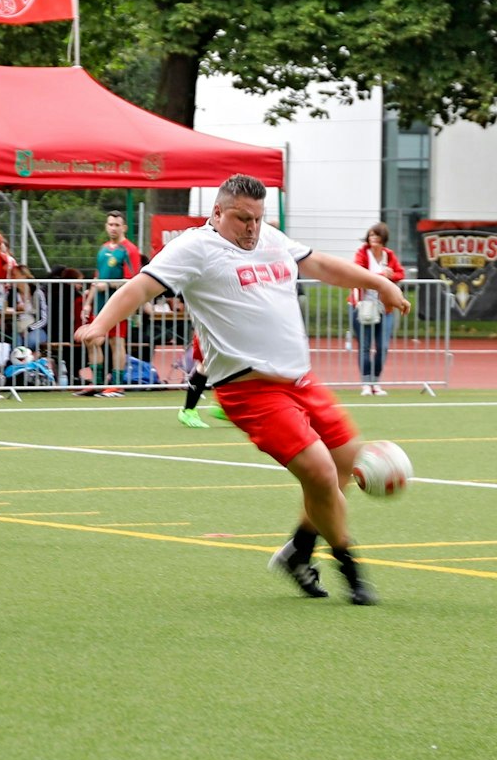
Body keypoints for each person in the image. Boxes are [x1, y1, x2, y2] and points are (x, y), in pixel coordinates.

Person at [76, 174, 408, 605]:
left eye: (256, 217)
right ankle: (351, 568)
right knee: (322, 474)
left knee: (345, 463)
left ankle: (300, 551)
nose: (251, 227)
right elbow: (141, 286)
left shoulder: (269, 236)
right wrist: (101, 324)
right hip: (250, 391)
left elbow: (320, 264)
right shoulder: (194, 248)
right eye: (241, 218)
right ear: (217, 213)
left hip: (299, 380)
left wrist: (379, 282)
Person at [87, 211, 144, 390]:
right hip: (99, 303)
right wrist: (88, 303)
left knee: (116, 342)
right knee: (92, 339)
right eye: (110, 224)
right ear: (106, 226)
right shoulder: (103, 248)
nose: (113, 228)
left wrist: (110, 285)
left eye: (117, 225)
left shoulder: (130, 250)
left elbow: (133, 281)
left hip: (119, 304)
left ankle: (116, 385)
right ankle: (96, 384)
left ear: (124, 227)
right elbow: (97, 278)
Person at [351, 223, 405, 395]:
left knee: (382, 346)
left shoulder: (389, 255)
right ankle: (366, 382)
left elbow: (400, 274)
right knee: (365, 345)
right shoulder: (362, 253)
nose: (373, 238)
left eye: (376, 235)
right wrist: (383, 275)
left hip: (384, 307)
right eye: (371, 235)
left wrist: (391, 275)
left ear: (383, 238)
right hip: (363, 305)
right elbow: (359, 272)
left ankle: (376, 381)